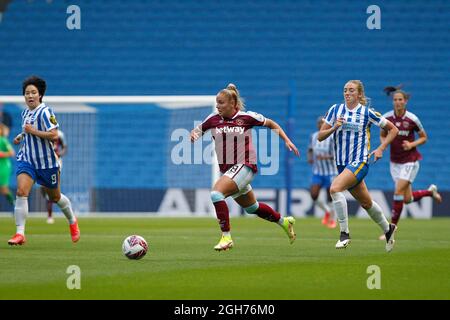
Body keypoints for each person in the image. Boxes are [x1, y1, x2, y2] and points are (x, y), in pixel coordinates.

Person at [190, 83, 300, 251]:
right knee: (252, 208)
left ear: (233, 104)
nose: (218, 106)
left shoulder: (246, 117)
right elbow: (198, 130)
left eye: (221, 103)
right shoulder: (212, 119)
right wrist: (194, 135)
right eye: (217, 102)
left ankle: (226, 236)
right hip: (230, 170)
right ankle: (284, 221)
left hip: (245, 165)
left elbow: (271, 124)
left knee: (216, 194)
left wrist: (287, 140)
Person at [318, 80, 399, 252]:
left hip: (360, 162)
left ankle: (344, 234)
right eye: (345, 90)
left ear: (360, 94)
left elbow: (393, 130)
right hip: (342, 164)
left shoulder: (367, 113)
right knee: (366, 202)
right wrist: (334, 127)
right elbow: (320, 136)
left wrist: (381, 148)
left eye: (351, 90)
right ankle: (388, 229)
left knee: (335, 189)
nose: (347, 93)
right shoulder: (335, 110)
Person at [8, 75, 80, 245]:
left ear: (40, 95)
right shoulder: (25, 112)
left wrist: (32, 131)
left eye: (33, 92)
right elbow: (28, 131)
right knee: (21, 192)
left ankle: (72, 221)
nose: (30, 96)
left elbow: (54, 135)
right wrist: (20, 137)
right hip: (27, 160)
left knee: (54, 197)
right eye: (27, 93)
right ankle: (20, 234)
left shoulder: (45, 112)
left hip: (46, 163)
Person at [378, 86, 442, 240]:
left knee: (398, 192)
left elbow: (423, 137)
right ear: (392, 101)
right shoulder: (387, 118)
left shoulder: (412, 119)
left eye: (400, 100)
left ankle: (391, 229)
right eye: (395, 100)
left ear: (405, 101)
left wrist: (412, 145)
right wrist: (384, 145)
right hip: (395, 162)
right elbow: (382, 134)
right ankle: (430, 192)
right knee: (407, 199)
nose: (398, 102)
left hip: (410, 161)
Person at [307, 116, 337, 228]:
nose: (320, 125)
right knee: (314, 195)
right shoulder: (314, 136)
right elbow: (310, 149)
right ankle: (328, 211)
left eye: (322, 123)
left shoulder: (332, 137)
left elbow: (337, 154)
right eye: (319, 123)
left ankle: (333, 220)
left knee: (331, 197)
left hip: (331, 172)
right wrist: (309, 157)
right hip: (318, 171)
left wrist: (325, 157)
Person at [41, 129, 68, 224]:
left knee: (52, 187)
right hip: (43, 162)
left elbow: (65, 147)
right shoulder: (42, 133)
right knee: (44, 188)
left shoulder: (60, 134)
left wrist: (60, 153)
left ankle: (50, 215)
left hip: (56, 162)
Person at [0, 124, 15, 207]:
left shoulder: (3, 140)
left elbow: (12, 153)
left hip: (3, 167)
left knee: (4, 189)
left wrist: (2, 154)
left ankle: (14, 204)